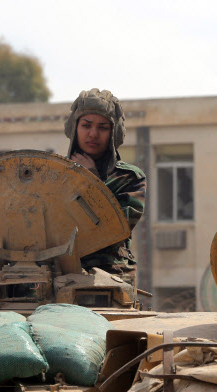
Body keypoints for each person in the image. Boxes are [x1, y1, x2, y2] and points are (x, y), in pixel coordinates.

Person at [63, 88, 146, 285]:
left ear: (114, 132)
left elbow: (115, 229)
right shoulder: (53, 175)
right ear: (74, 129)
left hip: (110, 277)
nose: (93, 133)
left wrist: (90, 180)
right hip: (61, 275)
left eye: (103, 127)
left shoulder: (129, 178)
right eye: (86, 125)